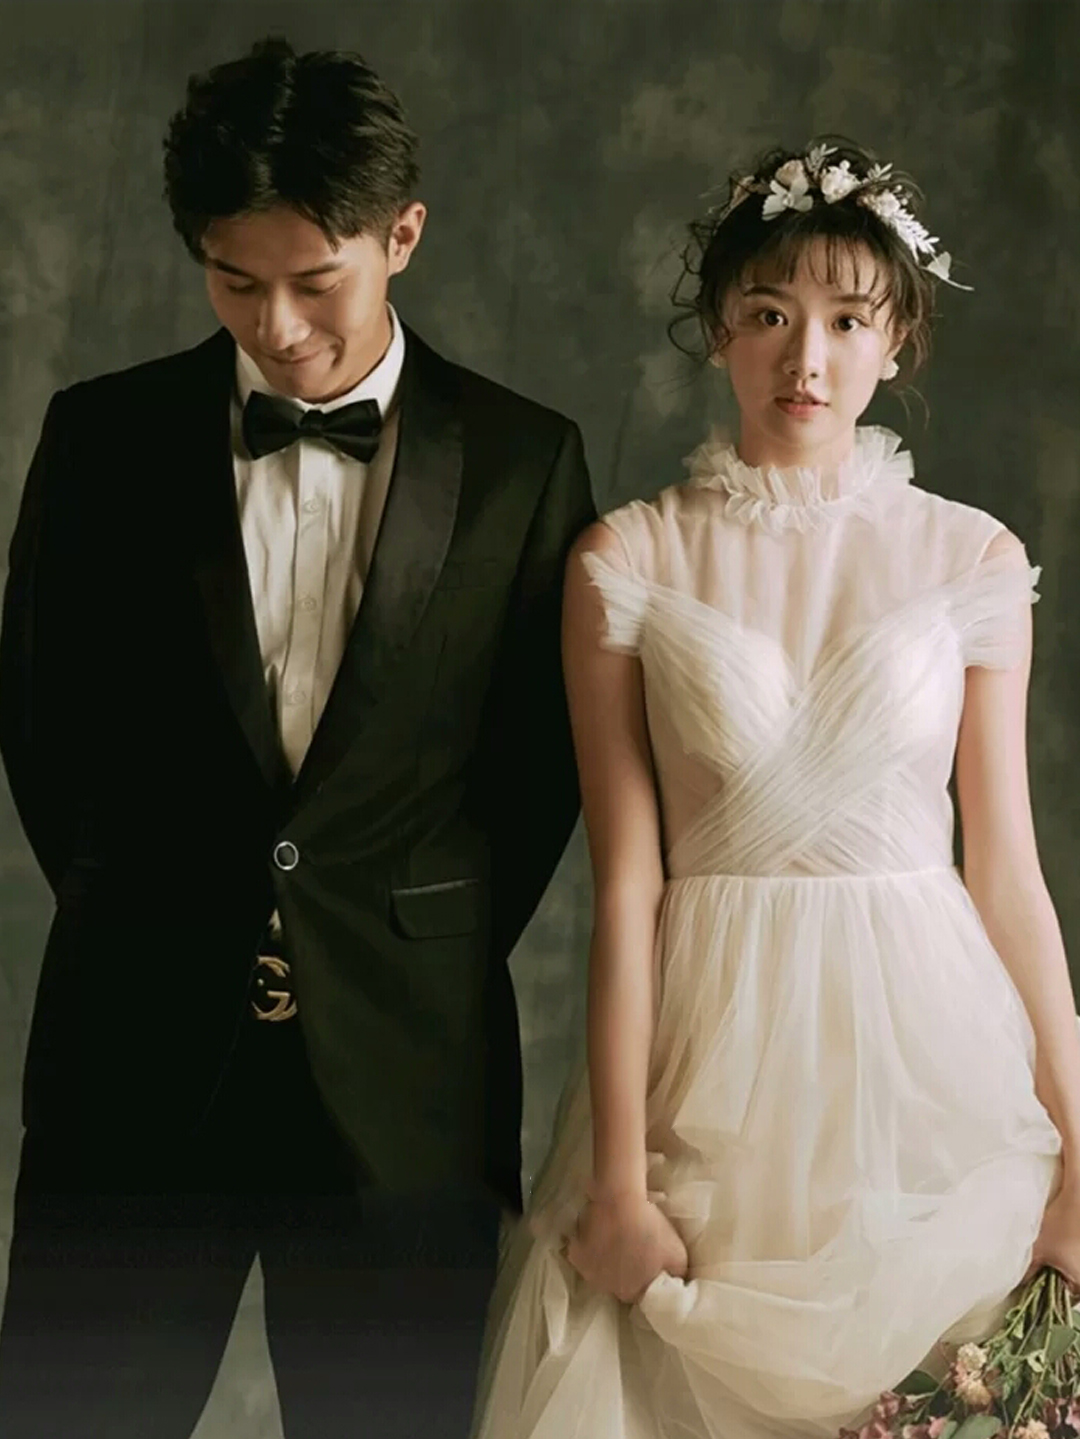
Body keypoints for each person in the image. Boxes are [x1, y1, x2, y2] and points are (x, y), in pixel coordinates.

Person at [0, 35, 594, 1439]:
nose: (276, 325)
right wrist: (157, 904)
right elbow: (43, 722)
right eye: (233, 281)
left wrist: (396, 928)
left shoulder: (526, 460)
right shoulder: (102, 439)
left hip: (409, 1081)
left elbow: (539, 771)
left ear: (403, 238)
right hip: (134, 1053)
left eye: (316, 281)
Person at [470, 139, 1080, 1439]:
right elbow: (626, 887)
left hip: (927, 1069)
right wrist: (621, 1183)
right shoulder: (627, 560)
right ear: (719, 332)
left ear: (896, 341)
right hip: (706, 1072)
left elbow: (1007, 874)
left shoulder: (973, 558)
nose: (807, 360)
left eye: (847, 322)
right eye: (768, 316)